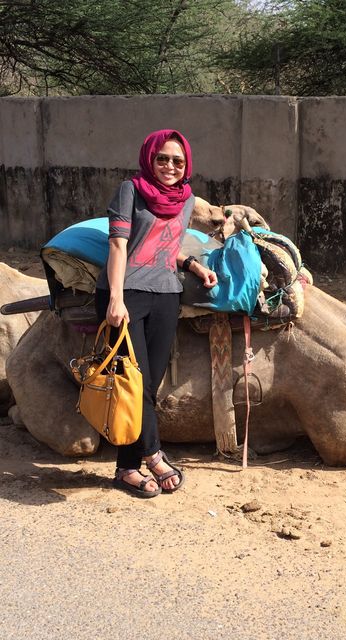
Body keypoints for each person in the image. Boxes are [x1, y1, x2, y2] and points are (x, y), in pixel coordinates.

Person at [95, 129, 217, 498]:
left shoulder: (186, 199)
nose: (169, 166)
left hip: (166, 294)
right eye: (162, 158)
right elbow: (119, 245)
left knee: (148, 385)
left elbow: (167, 245)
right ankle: (153, 454)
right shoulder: (130, 190)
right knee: (133, 381)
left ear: (187, 166)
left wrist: (194, 266)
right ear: (150, 158)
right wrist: (116, 298)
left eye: (177, 161)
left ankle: (125, 469)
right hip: (126, 293)